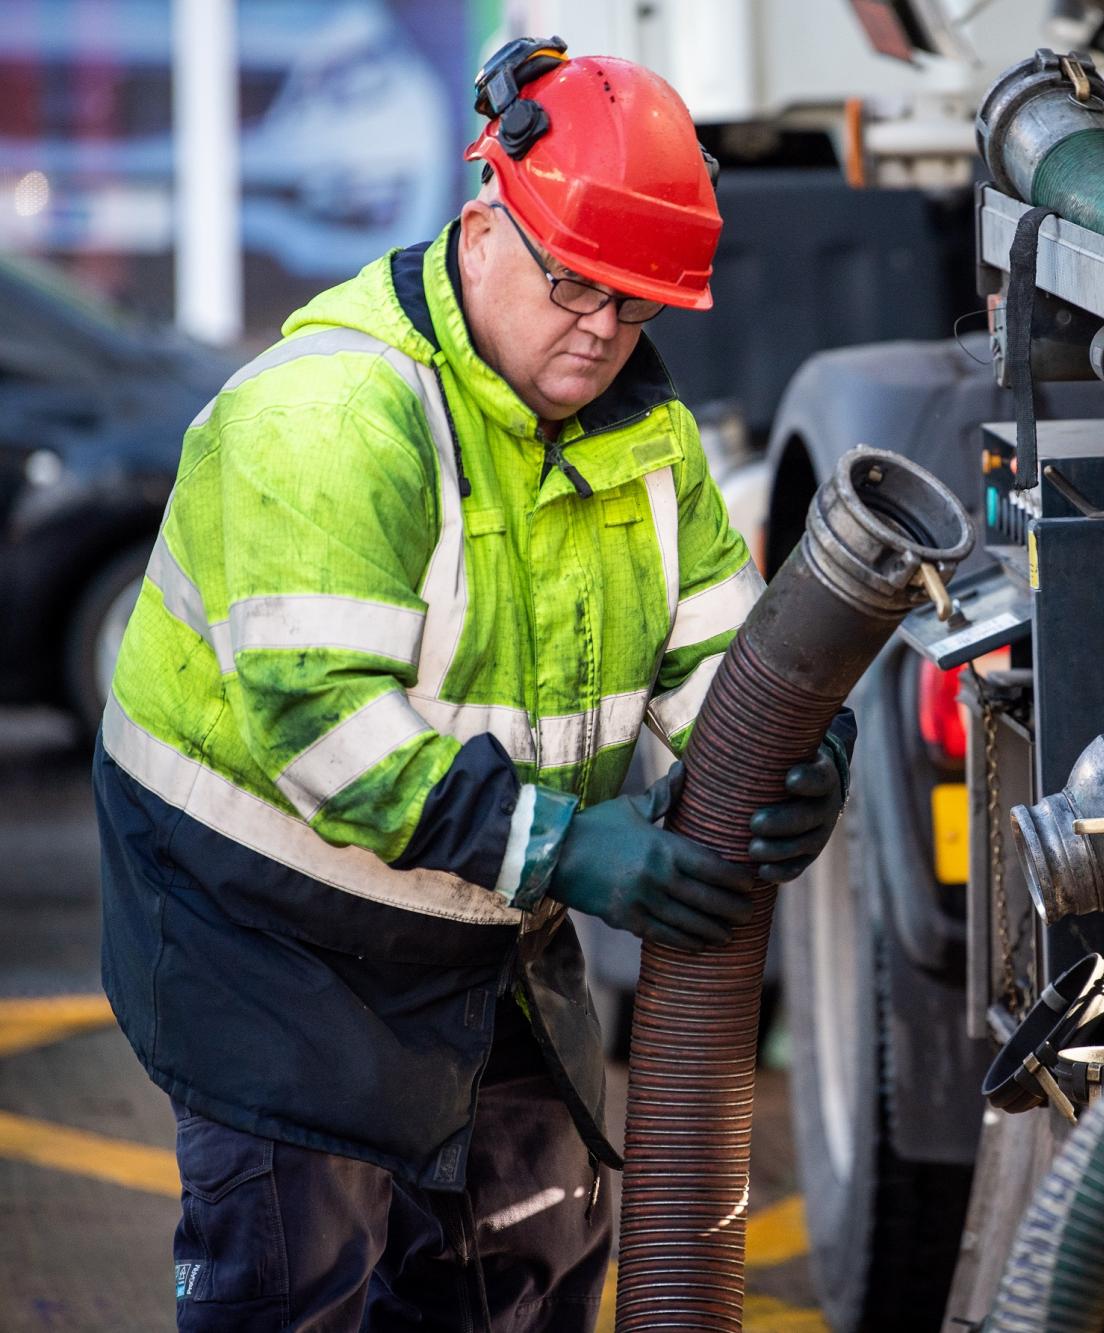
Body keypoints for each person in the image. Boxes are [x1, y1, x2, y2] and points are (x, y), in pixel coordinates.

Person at [93, 39, 850, 1330]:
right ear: (483, 219)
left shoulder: (643, 436)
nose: (601, 333)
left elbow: (724, 649)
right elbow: (323, 722)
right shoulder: (335, 417)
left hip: (485, 915)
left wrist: (795, 754)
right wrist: (563, 850)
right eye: (572, 285)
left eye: (635, 302)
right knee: (294, 1290)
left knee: (525, 1276)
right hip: (267, 937)